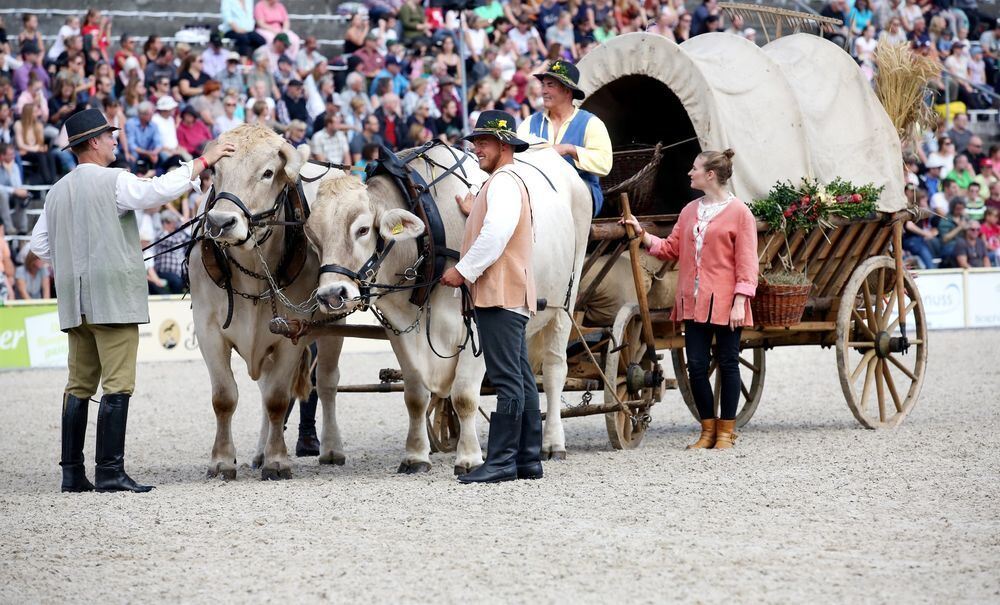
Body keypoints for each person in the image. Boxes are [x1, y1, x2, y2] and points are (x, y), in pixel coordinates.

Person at [29, 108, 236, 493]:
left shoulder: (57, 190)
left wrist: (79, 258)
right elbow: (155, 191)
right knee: (118, 384)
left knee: (78, 385)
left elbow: (40, 245)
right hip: (112, 297)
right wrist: (203, 161)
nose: (115, 140)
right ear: (94, 142)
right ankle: (110, 471)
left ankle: (72, 473)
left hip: (75, 300)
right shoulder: (115, 180)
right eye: (109, 135)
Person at [623, 149, 757, 450]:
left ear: (710, 175)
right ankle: (707, 431)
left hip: (726, 301)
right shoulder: (689, 211)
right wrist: (641, 233)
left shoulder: (740, 213)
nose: (689, 173)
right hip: (693, 302)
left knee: (728, 363)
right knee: (696, 366)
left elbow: (747, 262)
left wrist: (740, 300)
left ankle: (726, 433)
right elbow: (671, 248)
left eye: (694, 168)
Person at [440, 111, 542, 483]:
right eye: (476, 142)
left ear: (503, 145)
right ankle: (527, 459)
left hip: (500, 293)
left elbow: (496, 233)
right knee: (521, 376)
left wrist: (462, 271)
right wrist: (474, 211)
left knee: (507, 378)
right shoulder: (503, 183)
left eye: (483, 142)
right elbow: (496, 224)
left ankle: (501, 461)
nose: (477, 149)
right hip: (510, 291)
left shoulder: (502, 183)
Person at [517, 59, 612, 216]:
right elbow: (516, 159)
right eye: (543, 85)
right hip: (538, 193)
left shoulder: (591, 123)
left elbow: (604, 164)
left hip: (582, 196)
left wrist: (570, 149)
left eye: (550, 85)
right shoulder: (530, 123)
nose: (544, 91)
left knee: (559, 190)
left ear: (567, 91)